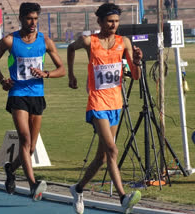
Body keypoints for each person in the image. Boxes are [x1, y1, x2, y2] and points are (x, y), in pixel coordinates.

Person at [67, 3, 143, 214]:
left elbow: (135, 76)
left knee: (102, 158)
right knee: (112, 150)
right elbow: (70, 49)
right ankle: (122, 197)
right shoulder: (88, 41)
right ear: (99, 21)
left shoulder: (123, 42)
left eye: (117, 21)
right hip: (97, 102)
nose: (113, 25)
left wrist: (136, 61)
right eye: (110, 21)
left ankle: (78, 188)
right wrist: (72, 75)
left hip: (115, 103)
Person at [0, 2, 65, 201]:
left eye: (35, 19)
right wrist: (3, 81)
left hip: (37, 95)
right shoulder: (9, 41)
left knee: (31, 148)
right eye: (29, 18)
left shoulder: (45, 41)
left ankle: (11, 169)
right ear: (21, 18)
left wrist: (46, 74)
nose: (33, 22)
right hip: (17, 94)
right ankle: (32, 184)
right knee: (25, 139)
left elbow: (61, 69)